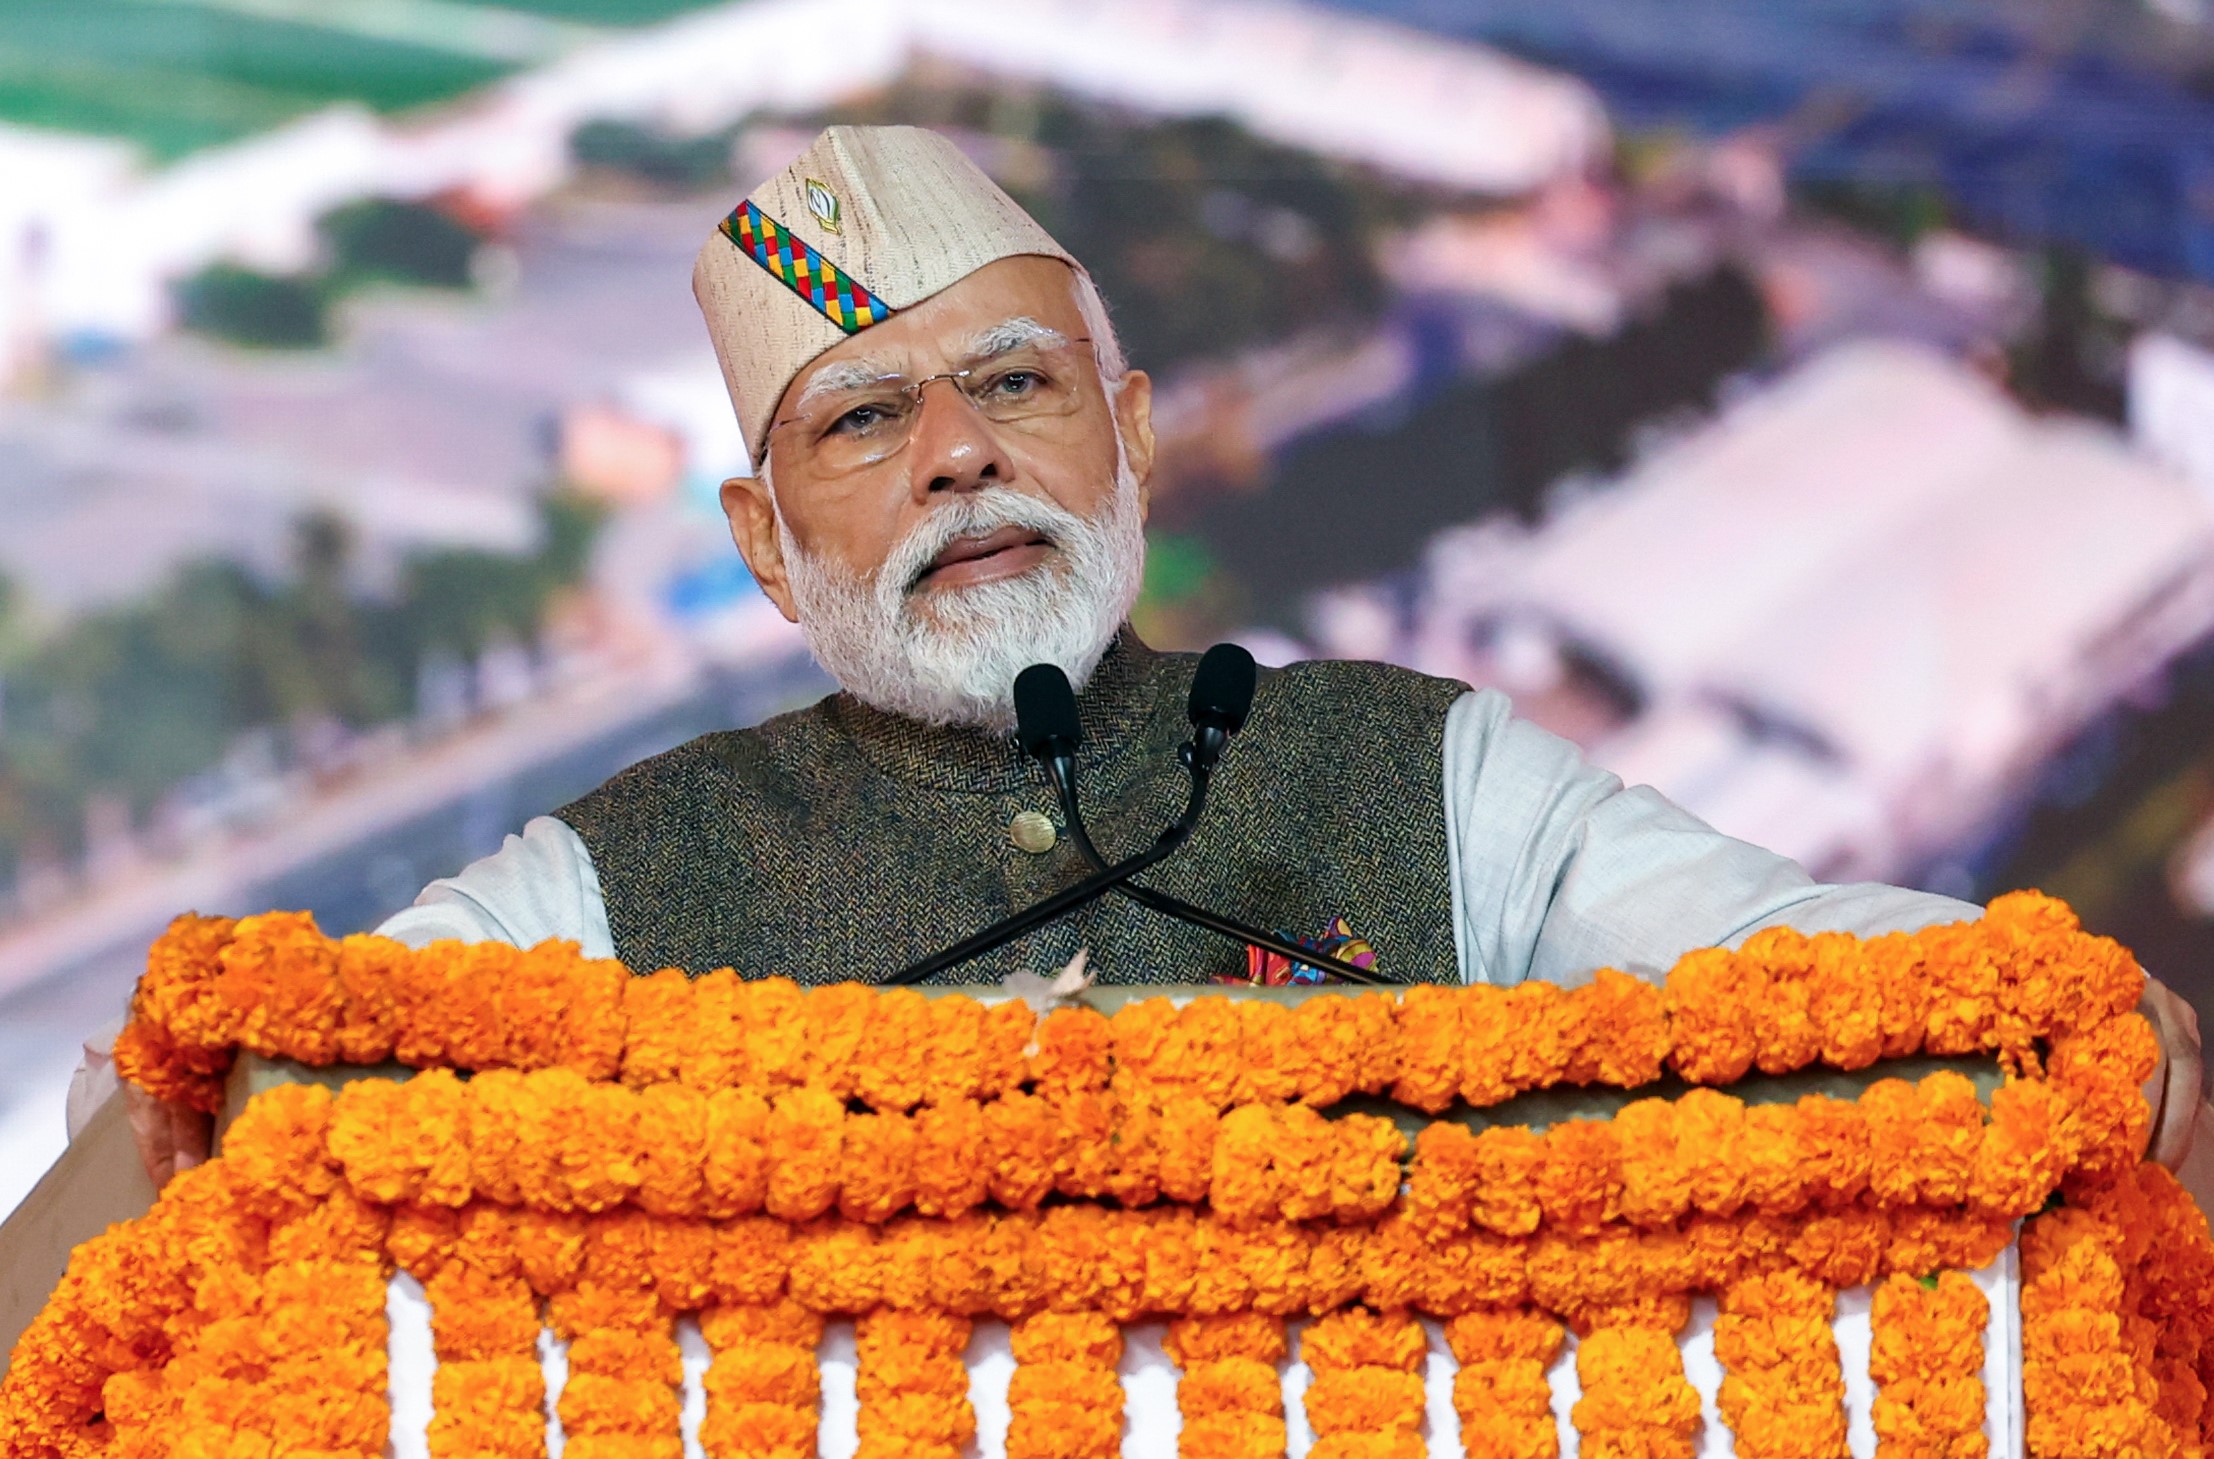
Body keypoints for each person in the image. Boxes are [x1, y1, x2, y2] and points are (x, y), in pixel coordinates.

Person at [97, 124, 2205, 1185]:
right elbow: (295, 1067)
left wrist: (2031, 1003)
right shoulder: (624, 882)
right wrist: (181, 1101)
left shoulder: (1420, 771)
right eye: (861, 419)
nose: (955, 459)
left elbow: (1779, 948)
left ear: (1124, 431)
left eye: (1014, 384)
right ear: (762, 547)